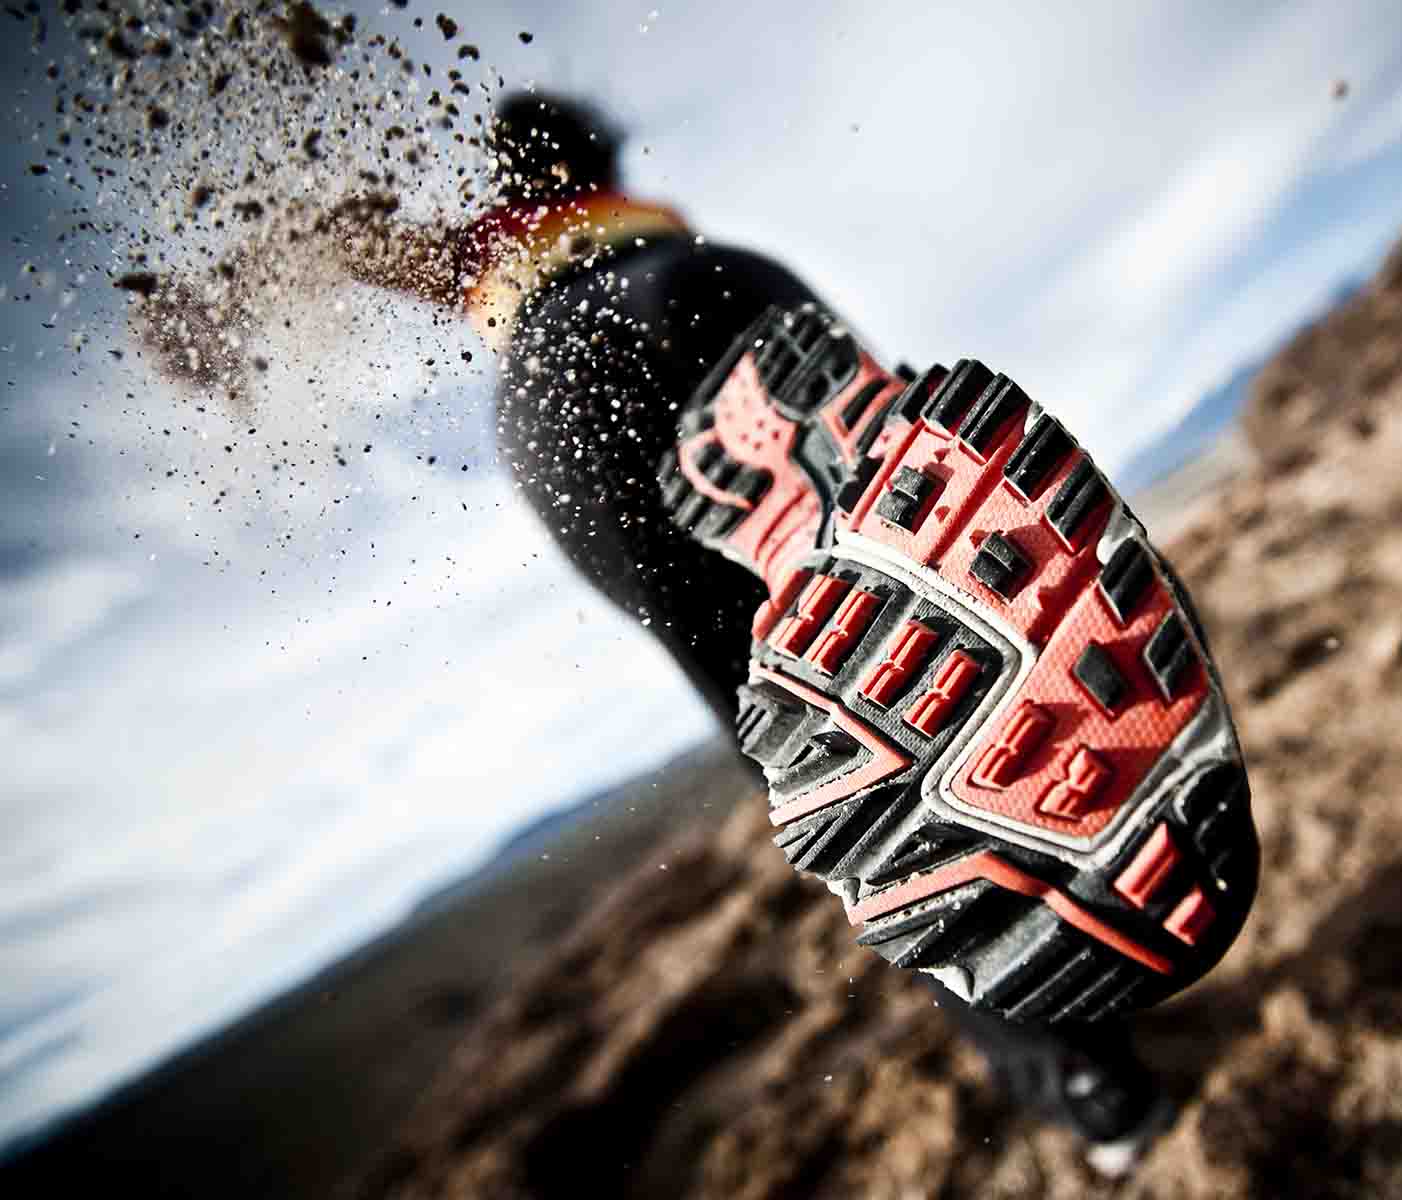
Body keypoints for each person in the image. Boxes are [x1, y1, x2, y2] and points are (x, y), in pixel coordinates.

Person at [346, 91, 1261, 1174]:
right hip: (698, 289)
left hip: (551, 403)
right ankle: (1082, 983)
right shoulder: (639, 230)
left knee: (841, 746)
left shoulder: (483, 260)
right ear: (599, 164)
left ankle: (1091, 1088)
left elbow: (369, 248)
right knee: (905, 561)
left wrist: (282, 271)